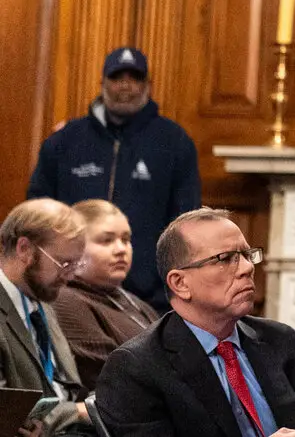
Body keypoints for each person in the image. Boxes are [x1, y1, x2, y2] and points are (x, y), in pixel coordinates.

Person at [95, 208, 295, 437]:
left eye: (246, 255)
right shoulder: (137, 367)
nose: (247, 268)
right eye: (225, 259)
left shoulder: (281, 341)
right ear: (180, 283)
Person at [28, 48, 201, 309]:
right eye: (117, 78)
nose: (126, 86)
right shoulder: (64, 142)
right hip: (67, 291)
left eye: (135, 79)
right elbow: (38, 213)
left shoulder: (174, 143)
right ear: (102, 83)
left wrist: (164, 285)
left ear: (148, 86)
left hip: (148, 300)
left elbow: (186, 223)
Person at [0, 200, 89, 431]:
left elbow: (66, 386)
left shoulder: (41, 299)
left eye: (76, 265)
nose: (69, 277)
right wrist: (81, 412)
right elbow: (5, 414)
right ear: (24, 249)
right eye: (64, 263)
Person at [52, 200, 157, 390]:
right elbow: (111, 375)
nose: (121, 249)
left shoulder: (134, 301)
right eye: (106, 240)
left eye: (126, 240)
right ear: (74, 248)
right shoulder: (65, 300)